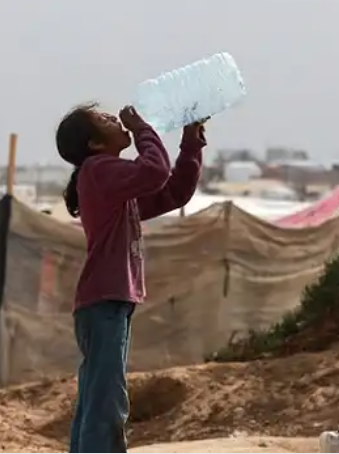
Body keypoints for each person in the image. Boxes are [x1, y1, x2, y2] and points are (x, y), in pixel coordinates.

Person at [56, 103, 207, 453]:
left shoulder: (113, 186)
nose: (115, 118)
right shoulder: (98, 171)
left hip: (109, 302)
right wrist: (141, 128)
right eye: (105, 119)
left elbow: (174, 191)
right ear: (94, 144)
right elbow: (155, 171)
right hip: (104, 300)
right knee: (106, 400)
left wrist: (191, 142)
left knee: (98, 397)